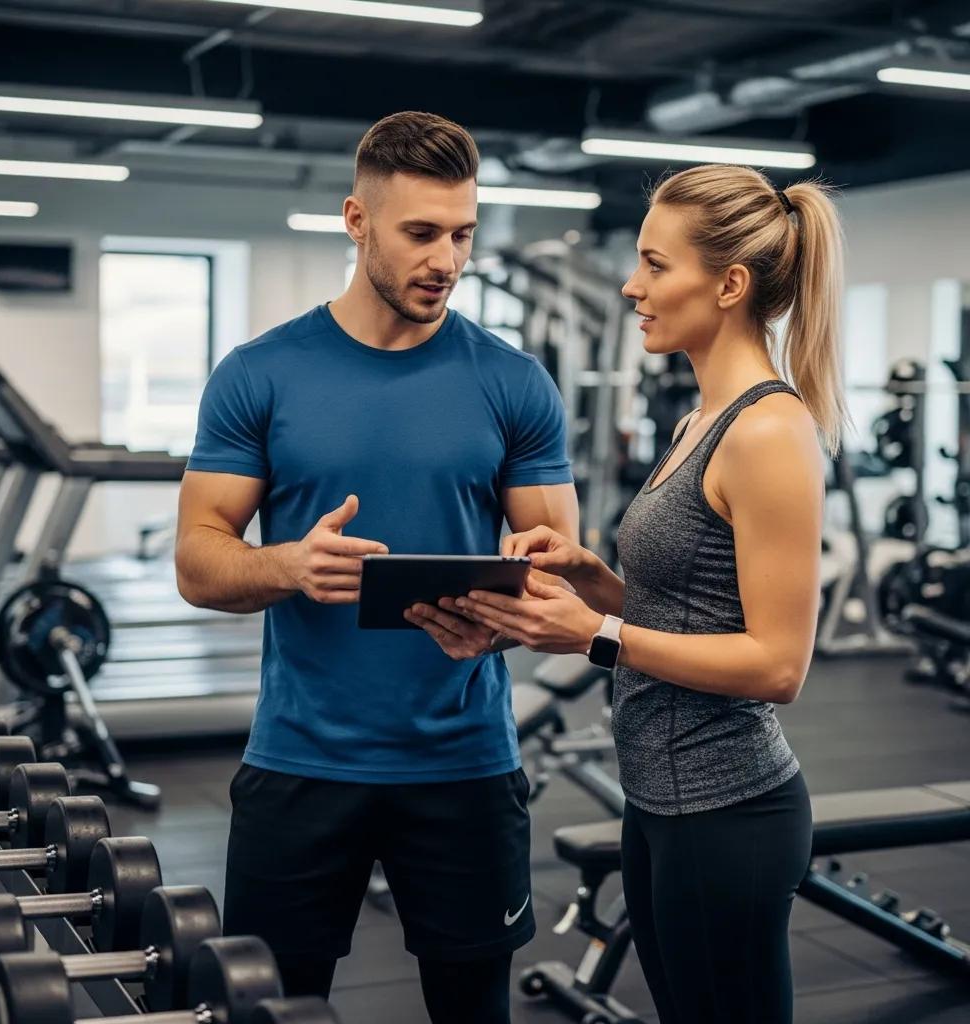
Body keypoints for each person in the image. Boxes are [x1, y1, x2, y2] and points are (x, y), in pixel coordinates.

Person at [174, 110, 578, 1024]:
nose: (447, 258)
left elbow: (556, 570)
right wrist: (287, 564)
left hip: (465, 760)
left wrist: (514, 600)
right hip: (302, 758)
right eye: (422, 232)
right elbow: (199, 562)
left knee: (473, 1006)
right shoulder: (259, 374)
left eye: (463, 233)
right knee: (272, 1006)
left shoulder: (513, 382)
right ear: (357, 222)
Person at [454, 164, 848, 1024]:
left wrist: (595, 633)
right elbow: (692, 607)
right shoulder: (698, 421)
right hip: (660, 801)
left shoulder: (770, 431)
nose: (633, 285)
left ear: (730, 284)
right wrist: (593, 578)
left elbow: (779, 664)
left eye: (655, 264)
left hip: (729, 808)